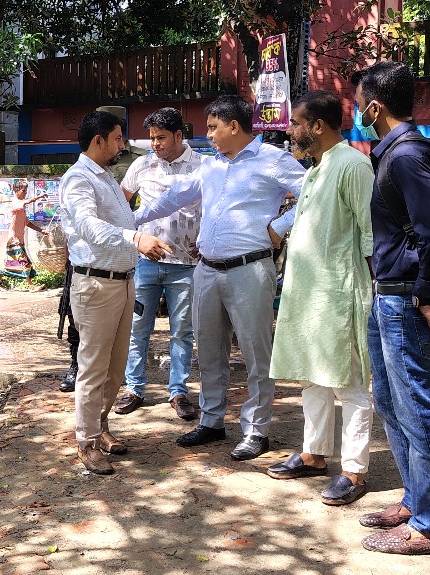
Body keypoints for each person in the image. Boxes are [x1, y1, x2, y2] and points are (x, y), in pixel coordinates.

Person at [134, 95, 306, 461]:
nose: (208, 135)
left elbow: (314, 193)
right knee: (210, 352)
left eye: (213, 127)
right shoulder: (210, 167)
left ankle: (256, 431)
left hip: (250, 270)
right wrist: (131, 221)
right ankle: (212, 421)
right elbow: (176, 196)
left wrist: (281, 226)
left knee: (256, 354)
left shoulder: (273, 159)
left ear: (233, 126)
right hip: (207, 270)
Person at [353, 61, 430, 555]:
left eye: (359, 102)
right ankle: (415, 499)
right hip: (388, 294)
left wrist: (427, 294)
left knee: (418, 406)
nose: (357, 111)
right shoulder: (394, 153)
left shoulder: (405, 156)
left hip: (405, 299)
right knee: (393, 403)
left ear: (375, 106)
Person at [262, 91, 376, 506]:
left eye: (295, 123)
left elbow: (370, 234)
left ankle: (354, 470)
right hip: (308, 295)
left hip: (340, 293)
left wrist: (371, 291)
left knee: (349, 384)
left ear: (318, 126)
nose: (290, 130)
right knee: (313, 378)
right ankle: (313, 455)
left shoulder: (354, 165)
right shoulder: (315, 170)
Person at [59, 110, 171, 475]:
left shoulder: (107, 178)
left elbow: (124, 222)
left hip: (123, 281)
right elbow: (89, 227)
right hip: (95, 284)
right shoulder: (78, 179)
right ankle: (86, 442)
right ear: (99, 140)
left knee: (116, 367)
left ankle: (101, 425)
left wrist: (146, 231)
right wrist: (136, 239)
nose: (123, 144)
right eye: (119, 138)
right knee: (93, 367)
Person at [112, 107, 203, 422]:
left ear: (179, 135)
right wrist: (134, 238)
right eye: (151, 138)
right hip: (145, 263)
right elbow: (121, 206)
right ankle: (134, 389)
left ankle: (178, 391)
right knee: (137, 328)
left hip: (188, 265)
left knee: (183, 331)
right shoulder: (142, 164)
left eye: (161, 137)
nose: (155, 144)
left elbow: (216, 208)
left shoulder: (202, 166)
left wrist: (205, 241)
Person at [0, 181, 48, 290]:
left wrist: (41, 230)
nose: (25, 193)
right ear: (16, 191)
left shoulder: (21, 206)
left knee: (9, 262)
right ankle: (31, 286)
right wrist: (38, 197)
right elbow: (25, 202)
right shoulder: (16, 203)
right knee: (23, 261)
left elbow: (27, 223)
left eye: (26, 191)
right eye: (23, 191)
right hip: (13, 239)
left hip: (19, 239)